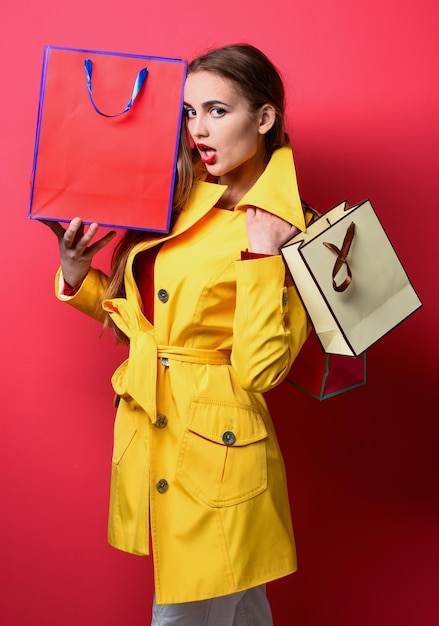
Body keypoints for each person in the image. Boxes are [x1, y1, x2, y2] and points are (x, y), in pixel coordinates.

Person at [44, 43, 311, 626]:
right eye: (189, 112)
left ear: (264, 118)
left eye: (217, 111)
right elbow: (154, 324)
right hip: (161, 430)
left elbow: (264, 371)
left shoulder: (292, 226)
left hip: (218, 456)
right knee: (241, 613)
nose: (198, 129)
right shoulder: (188, 194)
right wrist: (76, 277)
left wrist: (265, 256)